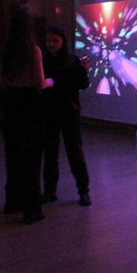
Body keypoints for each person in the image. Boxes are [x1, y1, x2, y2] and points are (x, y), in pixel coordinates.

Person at [0, 4, 53, 224]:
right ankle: (32, 209)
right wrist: (51, 81)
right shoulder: (33, 50)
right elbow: (39, 83)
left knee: (13, 155)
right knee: (32, 158)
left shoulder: (7, 49)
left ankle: (12, 202)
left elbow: (2, 80)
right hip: (29, 105)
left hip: (10, 104)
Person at [41, 25, 92, 207]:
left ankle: (83, 191)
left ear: (63, 41)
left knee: (74, 151)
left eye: (55, 40)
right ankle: (50, 191)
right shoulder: (44, 61)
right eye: (48, 41)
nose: (51, 44)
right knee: (50, 152)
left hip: (69, 111)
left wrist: (83, 70)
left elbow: (83, 84)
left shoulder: (72, 61)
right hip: (49, 111)